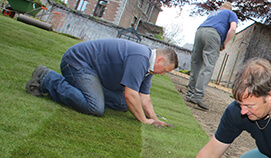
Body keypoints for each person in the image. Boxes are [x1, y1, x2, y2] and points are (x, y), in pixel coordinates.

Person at [26, 38, 178, 127]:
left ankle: (83, 89)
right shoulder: (140, 57)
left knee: (123, 105)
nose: (163, 73)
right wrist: (144, 120)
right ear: (160, 60)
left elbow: (144, 97)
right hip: (77, 63)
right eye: (165, 70)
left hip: (94, 74)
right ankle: (47, 78)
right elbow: (131, 94)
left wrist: (155, 120)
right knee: (95, 107)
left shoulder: (149, 68)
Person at [185, 1, 238, 110]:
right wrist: (224, 43)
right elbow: (233, 29)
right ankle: (198, 96)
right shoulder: (231, 14)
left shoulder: (214, 13)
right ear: (230, 9)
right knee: (208, 66)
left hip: (200, 31)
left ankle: (190, 94)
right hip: (213, 34)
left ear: (221, 7)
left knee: (196, 63)